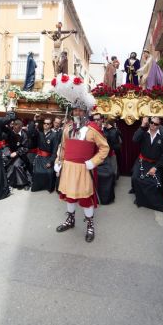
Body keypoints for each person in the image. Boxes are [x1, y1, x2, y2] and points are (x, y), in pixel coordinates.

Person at [54, 100, 109, 242]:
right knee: (69, 196)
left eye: (80, 110)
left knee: (85, 198)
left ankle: (90, 225)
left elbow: (104, 148)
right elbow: (63, 147)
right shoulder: (67, 128)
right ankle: (70, 220)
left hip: (84, 170)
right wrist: (58, 161)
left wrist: (93, 162)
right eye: (75, 110)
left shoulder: (92, 130)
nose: (77, 113)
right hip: (68, 168)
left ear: (86, 112)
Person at [131, 116, 163, 211]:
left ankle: (152, 202)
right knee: (136, 178)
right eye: (151, 122)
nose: (152, 125)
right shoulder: (143, 132)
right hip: (142, 161)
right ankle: (140, 199)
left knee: (155, 183)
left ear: (159, 125)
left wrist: (155, 168)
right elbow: (134, 139)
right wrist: (142, 125)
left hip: (155, 164)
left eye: (155, 124)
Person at [29, 116, 58, 192]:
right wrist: (34, 120)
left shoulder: (54, 135)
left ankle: (47, 187)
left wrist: (50, 161)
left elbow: (55, 151)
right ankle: (38, 187)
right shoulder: (39, 133)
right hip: (39, 157)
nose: (46, 125)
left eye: (48, 124)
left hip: (48, 158)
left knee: (50, 172)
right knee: (37, 172)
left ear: (51, 125)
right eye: (44, 123)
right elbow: (30, 132)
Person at [93, 114, 116, 205]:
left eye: (98, 119)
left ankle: (106, 199)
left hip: (104, 157)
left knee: (110, 174)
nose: (96, 121)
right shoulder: (89, 130)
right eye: (94, 120)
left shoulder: (108, 131)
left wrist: (110, 130)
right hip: (93, 157)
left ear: (102, 120)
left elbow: (113, 144)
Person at [6, 119, 31, 190]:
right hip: (10, 154)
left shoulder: (24, 135)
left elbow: (25, 148)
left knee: (16, 165)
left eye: (17, 129)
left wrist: (17, 153)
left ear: (20, 127)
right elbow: (6, 145)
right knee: (5, 162)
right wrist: (8, 153)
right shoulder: (10, 134)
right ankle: (10, 182)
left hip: (22, 155)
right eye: (14, 128)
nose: (15, 130)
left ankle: (25, 182)